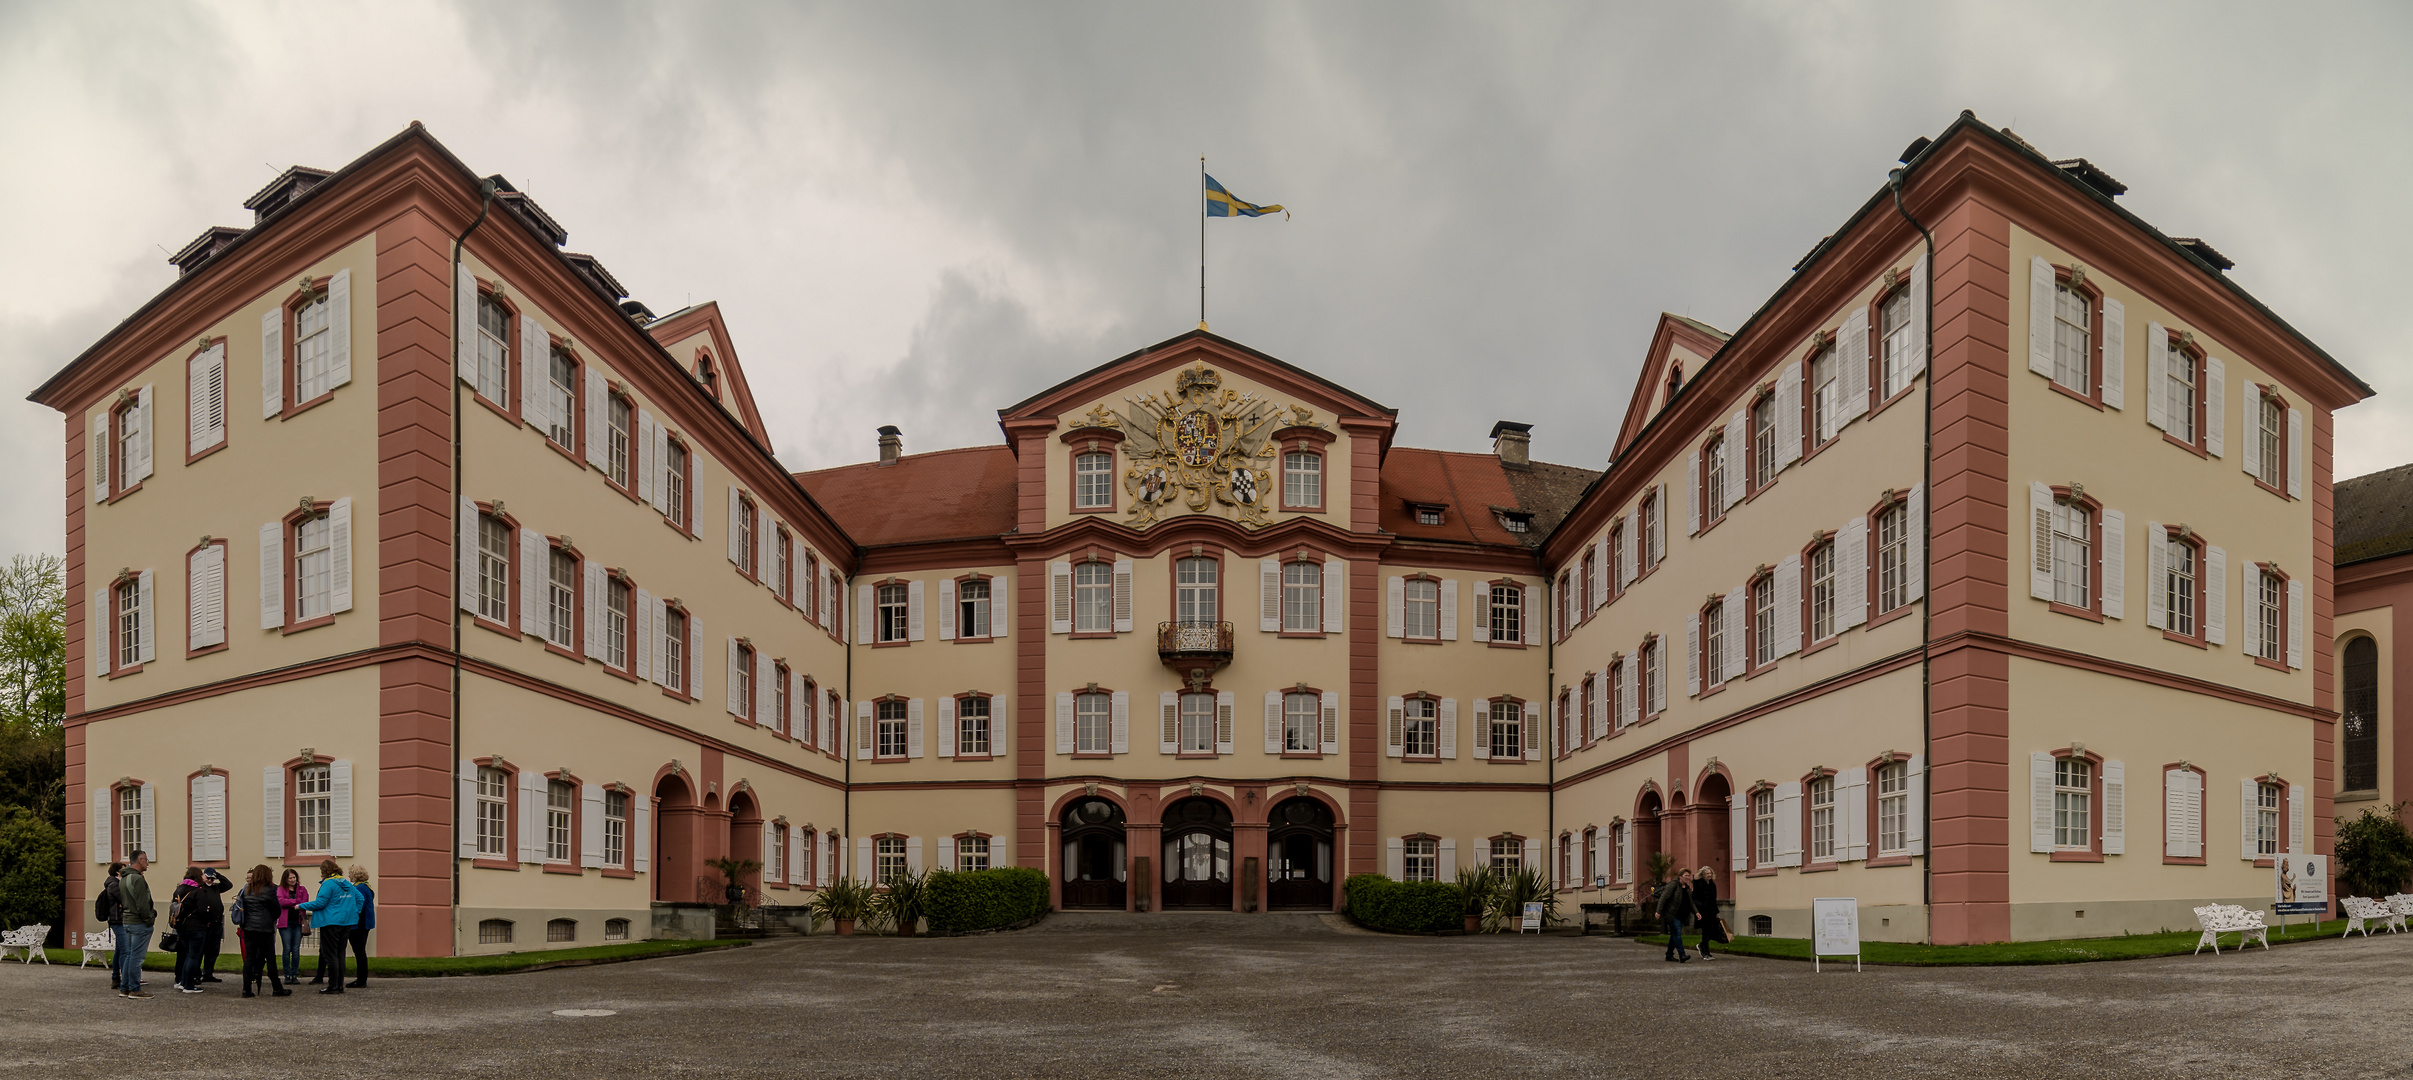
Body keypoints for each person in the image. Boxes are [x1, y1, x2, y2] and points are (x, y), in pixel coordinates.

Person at [294, 859, 362, 993]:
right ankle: (340, 985)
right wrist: (354, 911)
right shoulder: (346, 883)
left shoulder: (328, 883)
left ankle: (333, 986)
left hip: (330, 922)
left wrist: (300, 906)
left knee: (330, 955)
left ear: (324, 871)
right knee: (340, 954)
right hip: (346, 922)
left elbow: (320, 903)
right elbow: (360, 899)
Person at [227, 865, 290, 998]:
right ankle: (276, 987)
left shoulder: (247, 890)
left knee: (249, 958)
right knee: (270, 958)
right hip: (265, 928)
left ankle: (246, 989)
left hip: (249, 928)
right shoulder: (269, 890)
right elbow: (277, 910)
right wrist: (270, 918)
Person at [168, 866, 227, 993]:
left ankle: (182, 982)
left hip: (181, 926)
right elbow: (202, 911)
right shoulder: (198, 891)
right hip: (196, 927)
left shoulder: (179, 890)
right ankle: (188, 984)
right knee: (193, 957)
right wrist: (208, 916)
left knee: (186, 955)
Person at [115, 850, 156, 999]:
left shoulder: (124, 878)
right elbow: (142, 904)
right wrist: (149, 919)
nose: (147, 863)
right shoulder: (137, 879)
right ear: (139, 860)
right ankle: (134, 989)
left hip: (127, 920)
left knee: (129, 956)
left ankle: (125, 988)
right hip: (138, 922)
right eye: (145, 859)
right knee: (136, 957)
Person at [1655, 868, 1697, 963]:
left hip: (1682, 914)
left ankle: (1669, 955)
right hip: (1672, 914)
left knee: (1674, 935)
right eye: (1686, 875)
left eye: (1688, 875)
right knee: (1677, 933)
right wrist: (1658, 911)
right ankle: (1682, 955)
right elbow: (1663, 898)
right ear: (1680, 876)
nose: (1688, 877)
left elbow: (1691, 902)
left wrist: (1696, 912)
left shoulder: (1686, 887)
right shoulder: (1673, 885)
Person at [275, 868, 309, 983]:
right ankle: (286, 975)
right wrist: (295, 901)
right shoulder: (280, 889)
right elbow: (281, 902)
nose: (292, 880)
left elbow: (304, 903)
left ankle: (294, 975)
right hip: (285, 924)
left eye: (294, 877)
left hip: (298, 923)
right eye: (290, 878)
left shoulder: (302, 889)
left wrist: (291, 901)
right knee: (286, 949)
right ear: (286, 879)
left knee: (295, 949)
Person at [344, 866, 375, 988]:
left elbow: (358, 906)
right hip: (365, 923)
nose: (349, 875)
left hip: (359, 924)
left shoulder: (359, 888)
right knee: (361, 951)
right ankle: (362, 979)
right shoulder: (366, 886)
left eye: (350, 873)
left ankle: (361, 980)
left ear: (356, 875)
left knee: (359, 952)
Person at [95, 862, 124, 992]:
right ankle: (123, 977)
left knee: (119, 949)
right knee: (124, 949)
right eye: (124, 869)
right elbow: (124, 899)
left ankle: (116, 977)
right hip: (117, 920)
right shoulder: (114, 885)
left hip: (117, 920)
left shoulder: (115, 884)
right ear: (118, 872)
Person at [1692, 866, 1727, 961]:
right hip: (1703, 912)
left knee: (1713, 931)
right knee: (1706, 932)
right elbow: (1694, 898)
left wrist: (1716, 911)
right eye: (1707, 873)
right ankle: (1706, 953)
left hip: (1711, 911)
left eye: (1710, 873)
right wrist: (1701, 908)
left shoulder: (1712, 884)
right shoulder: (1699, 884)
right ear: (1703, 875)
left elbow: (1713, 899)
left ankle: (1702, 946)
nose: (1709, 875)